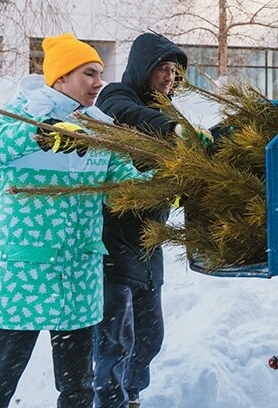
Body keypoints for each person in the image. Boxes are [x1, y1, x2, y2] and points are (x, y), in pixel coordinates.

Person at [0, 33, 142, 408]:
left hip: (78, 277)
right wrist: (38, 134)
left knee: (77, 391)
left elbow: (122, 185)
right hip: (22, 279)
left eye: (100, 73)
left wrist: (169, 182)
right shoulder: (22, 113)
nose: (99, 83)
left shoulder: (100, 129)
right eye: (89, 73)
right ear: (60, 78)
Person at [93, 32, 188, 408]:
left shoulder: (169, 112)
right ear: (142, 67)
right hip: (114, 239)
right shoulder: (117, 95)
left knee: (150, 335)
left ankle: (131, 394)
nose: (169, 77)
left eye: (175, 71)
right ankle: (109, 400)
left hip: (150, 242)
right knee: (114, 338)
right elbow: (130, 116)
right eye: (163, 68)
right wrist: (173, 130)